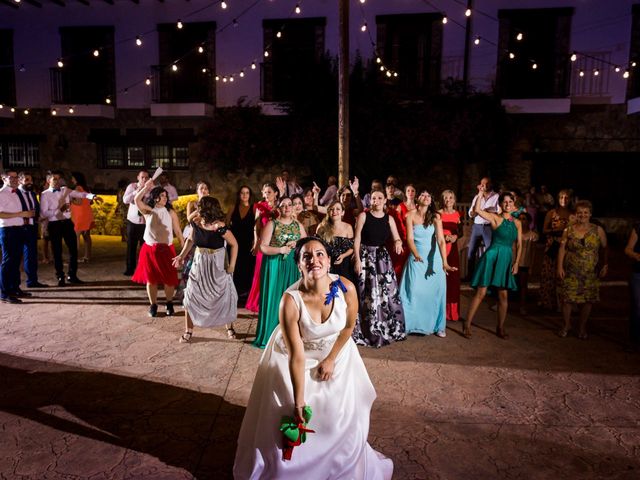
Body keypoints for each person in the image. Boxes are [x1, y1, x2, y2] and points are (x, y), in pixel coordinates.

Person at [233, 237, 394, 479]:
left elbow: (349, 327)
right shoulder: (290, 300)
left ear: (329, 261)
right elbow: (296, 355)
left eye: (320, 254)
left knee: (339, 414)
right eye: (307, 256)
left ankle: (341, 460)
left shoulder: (347, 288)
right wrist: (299, 403)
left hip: (336, 353)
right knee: (291, 407)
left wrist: (330, 359)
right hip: (296, 355)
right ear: (299, 264)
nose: (314, 260)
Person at [172, 196, 238, 343]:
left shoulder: (220, 226)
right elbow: (190, 240)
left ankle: (229, 327)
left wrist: (232, 265)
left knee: (224, 296)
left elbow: (234, 244)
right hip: (199, 263)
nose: (197, 209)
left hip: (217, 265)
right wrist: (181, 256)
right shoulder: (195, 223)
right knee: (190, 295)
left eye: (200, 207)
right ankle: (188, 330)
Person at [463, 191, 522, 340]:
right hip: (492, 257)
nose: (507, 204)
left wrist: (516, 263)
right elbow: (477, 210)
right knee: (481, 293)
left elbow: (520, 245)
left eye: (510, 202)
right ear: (500, 204)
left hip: (506, 259)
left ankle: (500, 327)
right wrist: (480, 194)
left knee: (503, 294)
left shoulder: (517, 223)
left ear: (514, 204)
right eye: (505, 202)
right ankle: (467, 324)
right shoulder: (496, 218)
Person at [352, 190, 406, 347]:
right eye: (373, 198)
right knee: (366, 293)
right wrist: (357, 260)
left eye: (379, 198)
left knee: (387, 292)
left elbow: (397, 237)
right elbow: (357, 239)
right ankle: (368, 328)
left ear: (385, 200)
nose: (376, 200)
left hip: (382, 259)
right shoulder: (363, 216)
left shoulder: (389, 219)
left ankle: (387, 326)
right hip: (366, 257)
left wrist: (397, 242)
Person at [399, 190, 456, 336]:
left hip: (434, 259)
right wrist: (416, 254)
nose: (426, 197)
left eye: (429, 195)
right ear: (418, 199)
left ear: (431, 200)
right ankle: (410, 324)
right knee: (413, 291)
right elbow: (410, 239)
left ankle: (438, 326)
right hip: (416, 256)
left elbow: (441, 240)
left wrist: (445, 262)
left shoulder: (436, 216)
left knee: (435, 292)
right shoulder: (410, 215)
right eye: (423, 195)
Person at [253, 196, 307, 348]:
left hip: (292, 265)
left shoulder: (298, 225)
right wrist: (280, 249)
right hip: (275, 264)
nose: (287, 208)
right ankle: (270, 336)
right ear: (278, 209)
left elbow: (306, 243)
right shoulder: (272, 224)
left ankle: (290, 336)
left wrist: (296, 244)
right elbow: (262, 247)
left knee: (292, 299)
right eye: (284, 205)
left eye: (290, 205)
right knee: (274, 298)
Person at [132, 180, 184, 317]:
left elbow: (178, 232)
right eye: (162, 195)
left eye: (166, 195)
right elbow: (137, 199)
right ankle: (153, 305)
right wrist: (145, 187)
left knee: (169, 280)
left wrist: (184, 252)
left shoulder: (170, 212)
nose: (165, 197)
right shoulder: (148, 211)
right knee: (151, 280)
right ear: (155, 197)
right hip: (150, 250)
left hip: (167, 249)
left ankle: (169, 303)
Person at [40, 170, 102, 287]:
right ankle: (60, 276)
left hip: (68, 223)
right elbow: (44, 214)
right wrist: (60, 210)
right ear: (49, 181)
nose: (58, 181)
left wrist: (93, 196)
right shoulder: (45, 194)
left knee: (73, 250)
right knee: (57, 252)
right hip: (55, 225)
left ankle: (72, 275)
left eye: (59, 179)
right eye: (55, 179)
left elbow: (81, 195)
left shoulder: (65, 190)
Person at [557, 200, 607, 339]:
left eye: (585, 212)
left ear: (590, 214)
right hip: (571, 271)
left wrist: (605, 265)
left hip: (590, 272)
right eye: (580, 212)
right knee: (567, 299)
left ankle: (582, 327)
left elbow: (604, 248)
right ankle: (566, 325)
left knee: (587, 300)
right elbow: (562, 248)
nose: (583, 215)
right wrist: (559, 266)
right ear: (576, 214)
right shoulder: (568, 230)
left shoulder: (598, 230)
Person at [0, 169, 36, 304]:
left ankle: (15, 288)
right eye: (11, 177)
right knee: (8, 262)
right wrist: (21, 214)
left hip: (20, 229)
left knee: (16, 262)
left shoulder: (17, 193)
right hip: (8, 230)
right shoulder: (1, 194)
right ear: (3, 179)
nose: (15, 180)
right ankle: (4, 293)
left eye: (16, 177)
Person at [246, 182, 279, 313]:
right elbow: (256, 226)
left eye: (269, 192)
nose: (266, 195)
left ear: (276, 193)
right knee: (261, 272)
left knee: (274, 272)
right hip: (263, 243)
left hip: (277, 244)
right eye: (264, 192)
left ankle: (274, 299)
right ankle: (260, 301)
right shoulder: (260, 207)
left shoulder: (280, 206)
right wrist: (256, 243)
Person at [539, 189, 573, 311]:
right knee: (549, 273)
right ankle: (547, 302)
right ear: (558, 199)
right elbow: (544, 230)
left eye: (566, 198)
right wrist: (555, 231)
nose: (564, 200)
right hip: (552, 244)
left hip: (566, 246)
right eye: (561, 197)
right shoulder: (552, 213)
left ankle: (564, 304)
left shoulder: (572, 214)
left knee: (565, 274)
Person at [227, 185, 256, 301]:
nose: (245, 195)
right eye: (242, 193)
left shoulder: (254, 208)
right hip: (235, 242)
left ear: (250, 195)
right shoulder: (233, 207)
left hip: (249, 242)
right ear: (239, 195)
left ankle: (247, 293)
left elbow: (256, 226)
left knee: (248, 266)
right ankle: (236, 292)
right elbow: (227, 223)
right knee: (236, 266)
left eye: (247, 193)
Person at [316, 200, 355, 283]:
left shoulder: (348, 227)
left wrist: (343, 256)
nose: (334, 211)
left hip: (344, 265)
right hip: (326, 264)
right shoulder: (322, 227)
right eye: (331, 209)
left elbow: (352, 248)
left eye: (338, 209)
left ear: (342, 212)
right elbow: (316, 247)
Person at [467, 177, 501, 273]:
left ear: (490, 184)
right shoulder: (477, 197)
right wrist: (474, 212)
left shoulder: (496, 196)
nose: (483, 186)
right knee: (471, 251)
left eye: (486, 184)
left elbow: (499, 212)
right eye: (482, 183)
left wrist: (486, 211)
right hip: (477, 226)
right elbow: (471, 213)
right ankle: (471, 275)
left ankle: (490, 274)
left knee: (490, 251)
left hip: (488, 227)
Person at [18, 172, 46, 288]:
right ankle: (14, 285)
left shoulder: (32, 193)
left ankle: (32, 281)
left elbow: (36, 207)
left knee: (31, 255)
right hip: (19, 227)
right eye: (27, 180)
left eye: (31, 180)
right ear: (20, 180)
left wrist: (38, 217)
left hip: (32, 227)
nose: (30, 183)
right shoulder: (16, 194)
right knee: (16, 256)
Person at [439, 189, 462, 321]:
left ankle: (452, 313)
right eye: (446, 198)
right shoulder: (438, 214)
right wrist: (443, 236)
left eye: (451, 198)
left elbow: (461, 232)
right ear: (443, 200)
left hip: (452, 250)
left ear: (454, 200)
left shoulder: (457, 214)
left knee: (452, 280)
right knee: (440, 279)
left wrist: (455, 236)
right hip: (439, 249)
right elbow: (433, 230)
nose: (448, 200)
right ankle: (440, 311)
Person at [123, 169, 150, 276]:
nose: (144, 179)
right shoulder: (132, 186)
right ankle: (130, 268)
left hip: (146, 222)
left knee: (145, 247)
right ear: (138, 177)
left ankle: (144, 269)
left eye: (146, 177)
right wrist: (137, 191)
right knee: (131, 246)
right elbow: (125, 200)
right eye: (142, 177)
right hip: (133, 221)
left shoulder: (151, 188)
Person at [70, 172, 95, 263]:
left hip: (79, 215)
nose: (71, 180)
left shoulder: (77, 188)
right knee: (86, 236)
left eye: (72, 178)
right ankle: (87, 256)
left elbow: (79, 202)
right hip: (87, 214)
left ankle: (74, 257)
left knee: (76, 236)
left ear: (76, 179)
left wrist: (70, 200)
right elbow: (91, 202)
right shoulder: (87, 188)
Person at [517, 212, 539, 315]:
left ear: (529, 221)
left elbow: (533, 251)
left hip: (524, 263)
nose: (522, 221)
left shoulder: (532, 236)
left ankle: (522, 306)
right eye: (520, 219)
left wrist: (531, 266)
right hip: (514, 262)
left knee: (523, 286)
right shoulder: (515, 233)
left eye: (524, 219)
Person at [624, 222, 640, 351]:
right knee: (637, 307)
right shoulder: (638, 227)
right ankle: (634, 340)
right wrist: (635, 255)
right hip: (638, 274)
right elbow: (628, 249)